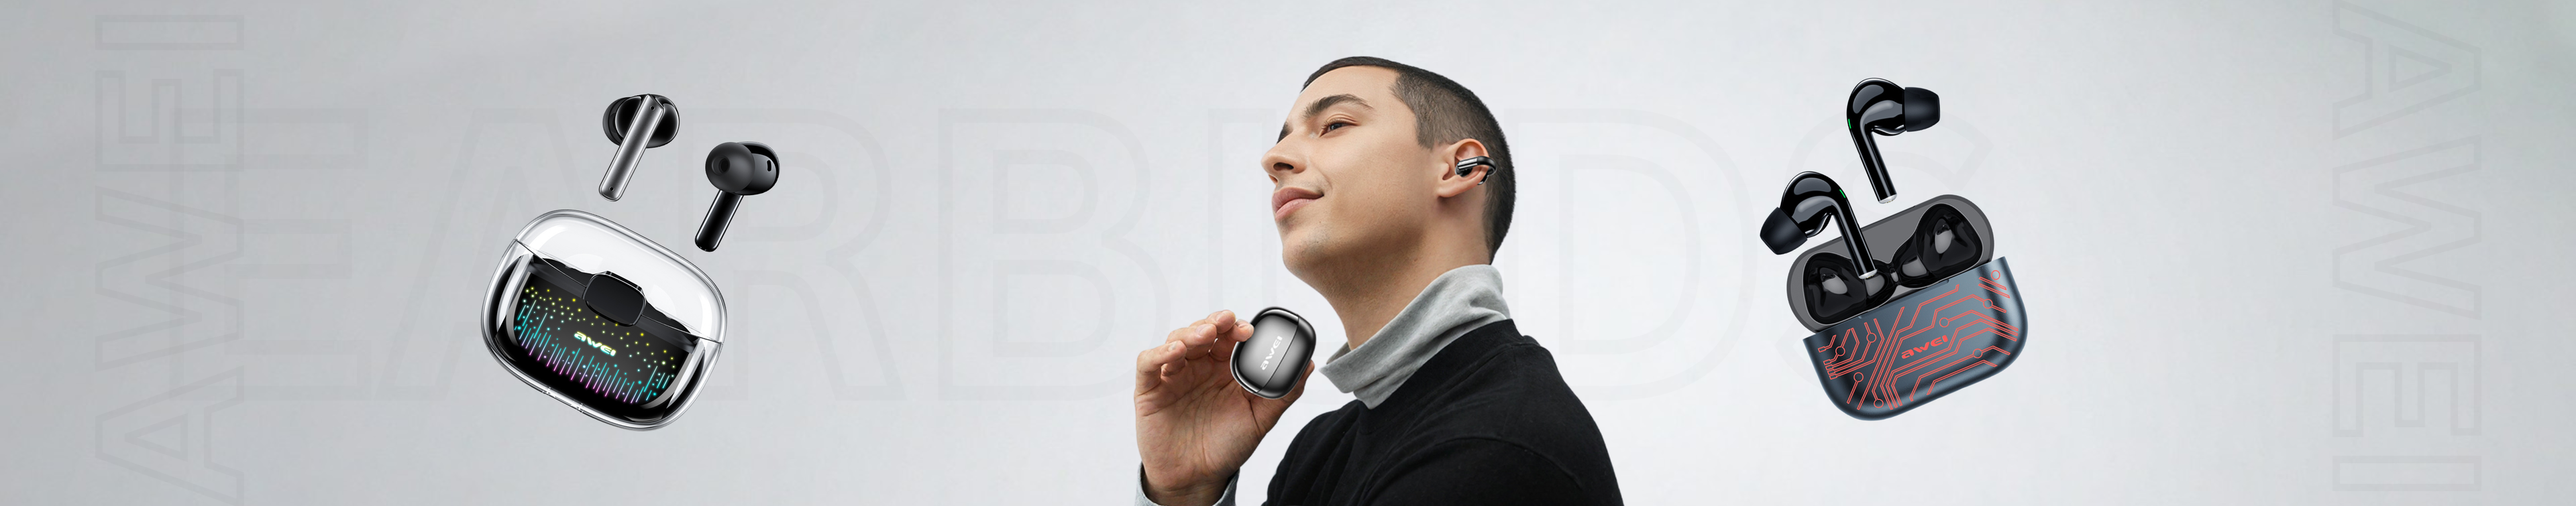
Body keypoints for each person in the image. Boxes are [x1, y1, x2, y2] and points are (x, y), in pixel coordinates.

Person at [1132, 56, 1622, 506]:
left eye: (1334, 125)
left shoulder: (1493, 443)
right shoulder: (1321, 449)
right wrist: (1185, 490)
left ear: (1458, 167)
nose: (1274, 158)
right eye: (1284, 137)